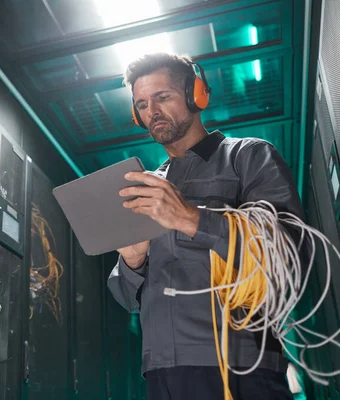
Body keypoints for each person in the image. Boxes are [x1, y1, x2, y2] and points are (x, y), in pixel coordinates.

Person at [107, 52, 303, 400]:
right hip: (161, 375)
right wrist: (133, 261)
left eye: (162, 97)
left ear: (197, 95)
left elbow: (288, 256)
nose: (152, 110)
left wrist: (189, 217)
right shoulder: (146, 187)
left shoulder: (249, 157)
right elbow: (126, 298)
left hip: (240, 369)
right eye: (142, 103)